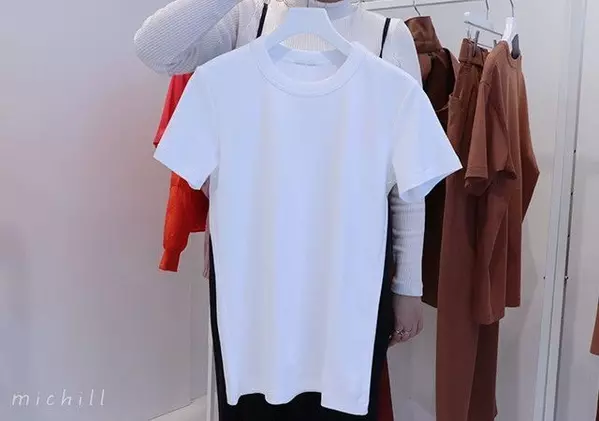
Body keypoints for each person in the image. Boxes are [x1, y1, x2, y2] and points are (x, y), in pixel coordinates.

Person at [134, 0, 425, 346]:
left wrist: (408, 285)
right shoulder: (248, 18)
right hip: (252, 261)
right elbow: (155, 50)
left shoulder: (389, 36)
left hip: (351, 263)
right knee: (249, 375)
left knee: (345, 374)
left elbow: (408, 181)